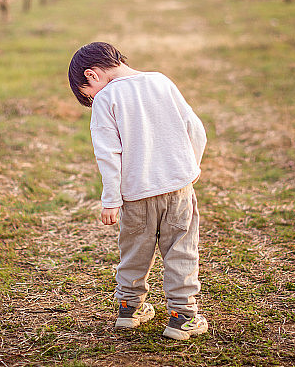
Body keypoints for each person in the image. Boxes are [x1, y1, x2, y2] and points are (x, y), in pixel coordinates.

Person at [68, 41, 208, 340]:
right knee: (181, 250)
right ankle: (182, 317)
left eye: (87, 96)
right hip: (177, 189)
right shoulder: (160, 80)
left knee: (134, 251)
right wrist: (189, 169)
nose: (93, 99)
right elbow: (194, 128)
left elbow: (108, 153)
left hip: (136, 196)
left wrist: (111, 201)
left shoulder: (107, 98)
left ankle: (129, 309)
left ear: (92, 76)